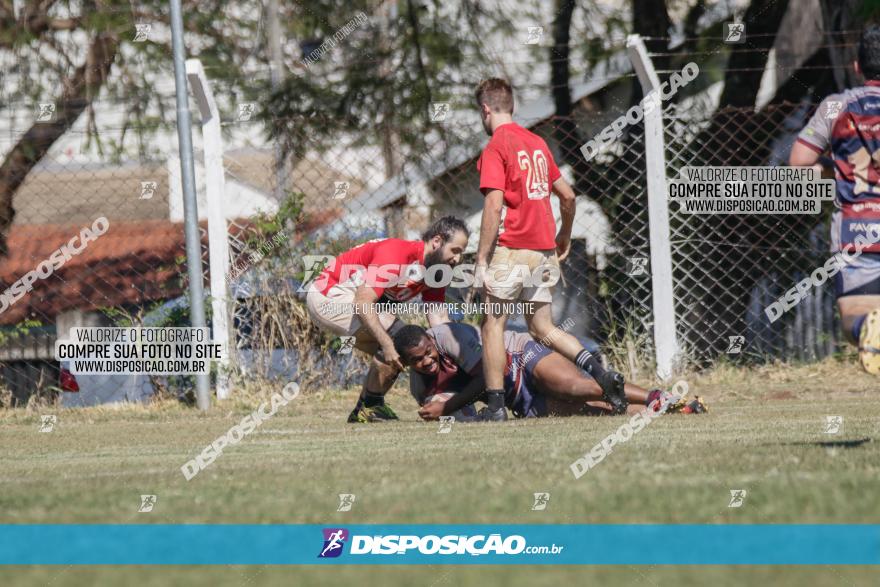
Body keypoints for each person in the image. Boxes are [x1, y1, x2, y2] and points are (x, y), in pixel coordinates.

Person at [473, 77, 627, 419]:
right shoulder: (537, 144)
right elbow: (568, 195)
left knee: (492, 324)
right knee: (543, 328)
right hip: (543, 251)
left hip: (512, 248)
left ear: (485, 109)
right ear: (510, 104)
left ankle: (496, 407)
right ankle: (603, 376)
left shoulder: (497, 146)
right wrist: (565, 236)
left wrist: (482, 259)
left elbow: (494, 206)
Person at [305, 216, 469, 422]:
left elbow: (437, 316)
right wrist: (388, 345)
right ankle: (372, 406)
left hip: (353, 302)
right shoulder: (397, 254)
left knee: (410, 347)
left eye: (461, 253)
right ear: (437, 241)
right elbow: (363, 302)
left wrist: (453, 354)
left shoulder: (437, 271)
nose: (458, 259)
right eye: (455, 250)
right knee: (403, 341)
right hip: (327, 296)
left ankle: (364, 411)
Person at [789, 26, 880, 374]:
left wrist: (838, 168)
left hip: (856, 233)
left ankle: (867, 326)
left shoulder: (836, 107)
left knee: (858, 325)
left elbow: (799, 164)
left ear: (856, 66)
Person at [393, 322, 707, 420]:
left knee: (577, 387)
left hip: (518, 357)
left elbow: (491, 376)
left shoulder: (449, 336)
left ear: (431, 341)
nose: (427, 360)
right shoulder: (422, 391)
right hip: (519, 400)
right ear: (407, 365)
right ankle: (676, 413)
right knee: (595, 411)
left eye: (428, 351)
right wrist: (452, 414)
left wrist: (447, 406)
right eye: (417, 360)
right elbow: (470, 419)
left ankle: (665, 399)